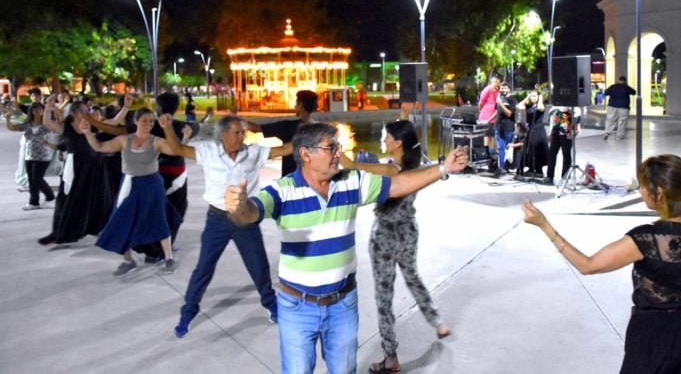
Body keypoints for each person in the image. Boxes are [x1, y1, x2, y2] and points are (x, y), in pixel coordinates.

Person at [224, 123, 468, 374]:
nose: (339, 153)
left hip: (342, 305)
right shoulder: (282, 190)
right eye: (331, 148)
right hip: (297, 307)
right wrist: (239, 206)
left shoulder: (351, 182)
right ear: (306, 154)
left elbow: (397, 185)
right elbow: (251, 213)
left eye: (337, 146)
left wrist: (443, 168)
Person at [523, 154, 681, 373]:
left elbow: (587, 265)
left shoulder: (646, 240)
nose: (640, 191)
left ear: (659, 194)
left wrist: (544, 225)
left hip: (656, 337)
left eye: (643, 186)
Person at [164, 115, 291, 338]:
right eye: (237, 132)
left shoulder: (253, 152)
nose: (242, 136)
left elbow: (283, 150)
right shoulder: (208, 152)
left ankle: (272, 307)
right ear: (223, 134)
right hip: (217, 219)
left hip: (245, 219)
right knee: (203, 268)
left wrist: (310, 136)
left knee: (259, 267)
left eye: (243, 132)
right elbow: (178, 150)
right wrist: (166, 128)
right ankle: (188, 313)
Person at [339, 120, 451, 373]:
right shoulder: (414, 165)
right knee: (413, 277)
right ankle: (437, 321)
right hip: (409, 231)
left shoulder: (392, 169)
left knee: (384, 298)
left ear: (397, 142)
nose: (383, 139)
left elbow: (366, 169)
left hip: (386, 236)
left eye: (386, 136)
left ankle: (391, 358)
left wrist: (343, 157)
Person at [80, 109, 180, 276]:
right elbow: (99, 147)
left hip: (152, 184)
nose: (148, 124)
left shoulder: (157, 141)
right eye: (144, 121)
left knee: (160, 219)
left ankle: (169, 258)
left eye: (151, 121)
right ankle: (129, 260)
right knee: (122, 220)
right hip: (130, 183)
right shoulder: (124, 140)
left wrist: (168, 129)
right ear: (135, 121)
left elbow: (176, 150)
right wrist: (88, 133)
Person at [40, 95, 112, 246]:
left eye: (88, 110)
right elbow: (47, 123)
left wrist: (124, 107)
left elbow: (113, 123)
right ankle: (59, 232)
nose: (87, 113)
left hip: (95, 166)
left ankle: (96, 228)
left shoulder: (92, 125)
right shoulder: (66, 127)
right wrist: (48, 106)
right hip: (75, 167)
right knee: (65, 199)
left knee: (96, 198)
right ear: (74, 113)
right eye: (84, 111)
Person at [246, 89, 318, 176]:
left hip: (291, 179)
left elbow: (255, 128)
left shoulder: (288, 126)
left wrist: (234, 120)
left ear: (300, 105)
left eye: (296, 103)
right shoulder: (319, 129)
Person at [3, 103, 55, 210]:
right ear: (31, 111)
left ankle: (49, 197)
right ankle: (35, 202)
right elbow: (13, 127)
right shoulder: (27, 124)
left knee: (37, 179)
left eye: (40, 109)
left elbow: (59, 125)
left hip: (43, 156)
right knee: (32, 180)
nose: (37, 111)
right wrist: (8, 119)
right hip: (29, 155)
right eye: (35, 109)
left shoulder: (47, 123)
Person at [545, 105, 581, 185]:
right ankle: (549, 176)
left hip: (567, 134)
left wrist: (575, 131)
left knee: (566, 154)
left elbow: (577, 121)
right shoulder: (554, 108)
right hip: (555, 133)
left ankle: (565, 177)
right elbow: (552, 121)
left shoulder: (574, 108)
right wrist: (550, 132)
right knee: (551, 154)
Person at [517, 91, 548, 178]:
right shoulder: (529, 106)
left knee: (537, 149)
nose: (532, 98)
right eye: (531, 96)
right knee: (530, 149)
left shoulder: (541, 105)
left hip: (538, 129)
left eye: (534, 96)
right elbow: (519, 106)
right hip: (531, 129)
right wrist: (527, 97)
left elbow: (541, 108)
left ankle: (539, 170)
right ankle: (531, 168)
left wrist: (540, 98)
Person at [602, 75, 636, 140]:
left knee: (610, 120)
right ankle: (619, 136)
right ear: (625, 81)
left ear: (619, 80)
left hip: (612, 106)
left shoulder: (613, 86)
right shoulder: (626, 87)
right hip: (623, 107)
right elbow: (634, 92)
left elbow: (606, 92)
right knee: (622, 121)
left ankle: (607, 133)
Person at [494, 82, 517, 171]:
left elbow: (509, 113)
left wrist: (501, 103)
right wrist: (488, 120)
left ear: (509, 89)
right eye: (501, 88)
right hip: (498, 126)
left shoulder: (512, 100)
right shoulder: (500, 98)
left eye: (505, 88)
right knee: (500, 147)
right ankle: (502, 167)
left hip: (508, 127)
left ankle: (508, 166)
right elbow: (497, 111)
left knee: (508, 147)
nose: (502, 89)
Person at [477, 75, 501, 153]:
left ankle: (492, 152)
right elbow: (481, 102)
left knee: (493, 135)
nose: (496, 84)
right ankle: (486, 152)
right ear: (491, 82)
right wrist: (481, 110)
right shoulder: (487, 90)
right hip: (486, 117)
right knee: (487, 135)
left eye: (497, 82)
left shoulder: (498, 90)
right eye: (495, 82)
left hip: (495, 117)